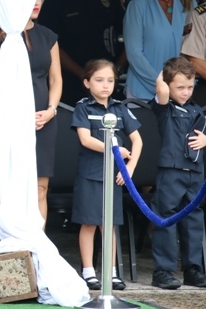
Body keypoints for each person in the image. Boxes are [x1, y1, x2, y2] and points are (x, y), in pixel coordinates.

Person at [0, 0, 62, 222]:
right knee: (14, 187)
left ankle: (37, 241)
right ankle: (15, 241)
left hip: (43, 120)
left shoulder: (48, 36)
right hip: (12, 119)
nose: (36, 1)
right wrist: (19, 113)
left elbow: (56, 79)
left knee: (40, 188)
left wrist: (51, 110)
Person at [71, 59, 142, 291]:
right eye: (99, 80)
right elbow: (85, 139)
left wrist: (129, 168)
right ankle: (88, 272)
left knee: (108, 225)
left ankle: (111, 273)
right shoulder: (83, 107)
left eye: (110, 80)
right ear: (87, 83)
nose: (105, 85)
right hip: (90, 174)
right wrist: (115, 149)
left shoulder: (120, 108)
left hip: (114, 176)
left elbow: (138, 140)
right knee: (89, 223)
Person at [150, 57, 206, 289]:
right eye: (179, 87)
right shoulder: (164, 108)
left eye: (189, 86)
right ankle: (163, 271)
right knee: (166, 217)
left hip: (195, 172)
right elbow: (161, 90)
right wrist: (165, 75)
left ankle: (192, 269)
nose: (185, 92)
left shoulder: (196, 109)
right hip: (171, 170)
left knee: (194, 218)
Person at [39, 0, 125, 105]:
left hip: (109, 81)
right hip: (72, 83)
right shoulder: (55, 2)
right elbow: (51, 45)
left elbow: (128, 34)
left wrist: (116, 69)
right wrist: (81, 73)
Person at [123, 0, 196, 101]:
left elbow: (192, 49)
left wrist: (179, 85)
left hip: (179, 92)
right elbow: (134, 53)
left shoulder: (189, 5)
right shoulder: (137, 6)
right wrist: (161, 83)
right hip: (142, 92)